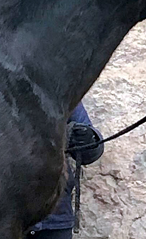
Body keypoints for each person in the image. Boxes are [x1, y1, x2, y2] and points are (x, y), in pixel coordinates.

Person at [26, 102, 104, 239]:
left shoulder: (57, 91)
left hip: (55, 217)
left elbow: (90, 152)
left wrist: (88, 138)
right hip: (2, 217)